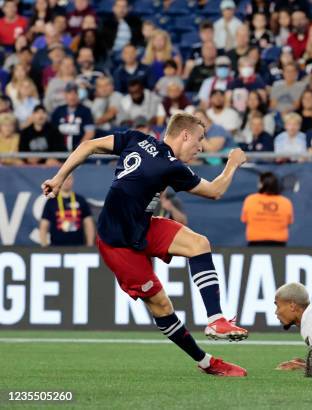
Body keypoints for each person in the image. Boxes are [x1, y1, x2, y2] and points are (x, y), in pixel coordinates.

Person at [41, 112, 249, 377]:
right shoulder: (170, 165)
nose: (200, 147)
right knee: (161, 305)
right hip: (118, 243)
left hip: (142, 225)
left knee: (199, 244)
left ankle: (216, 320)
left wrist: (58, 178)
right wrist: (232, 163)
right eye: (199, 139)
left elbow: (88, 145)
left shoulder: (137, 139)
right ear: (184, 135)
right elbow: (215, 191)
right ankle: (206, 362)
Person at [39, 174, 95, 247]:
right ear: (60, 181)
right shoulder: (51, 201)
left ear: (73, 180)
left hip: (78, 248)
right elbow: (43, 226)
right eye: (64, 179)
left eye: (69, 179)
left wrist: (89, 246)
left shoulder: (80, 200)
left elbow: (88, 224)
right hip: (56, 248)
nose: (66, 181)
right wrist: (44, 246)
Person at [241, 172, 293, 246]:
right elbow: (289, 222)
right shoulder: (286, 202)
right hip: (279, 244)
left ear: (261, 184)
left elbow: (245, 219)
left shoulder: (250, 199)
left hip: (255, 242)